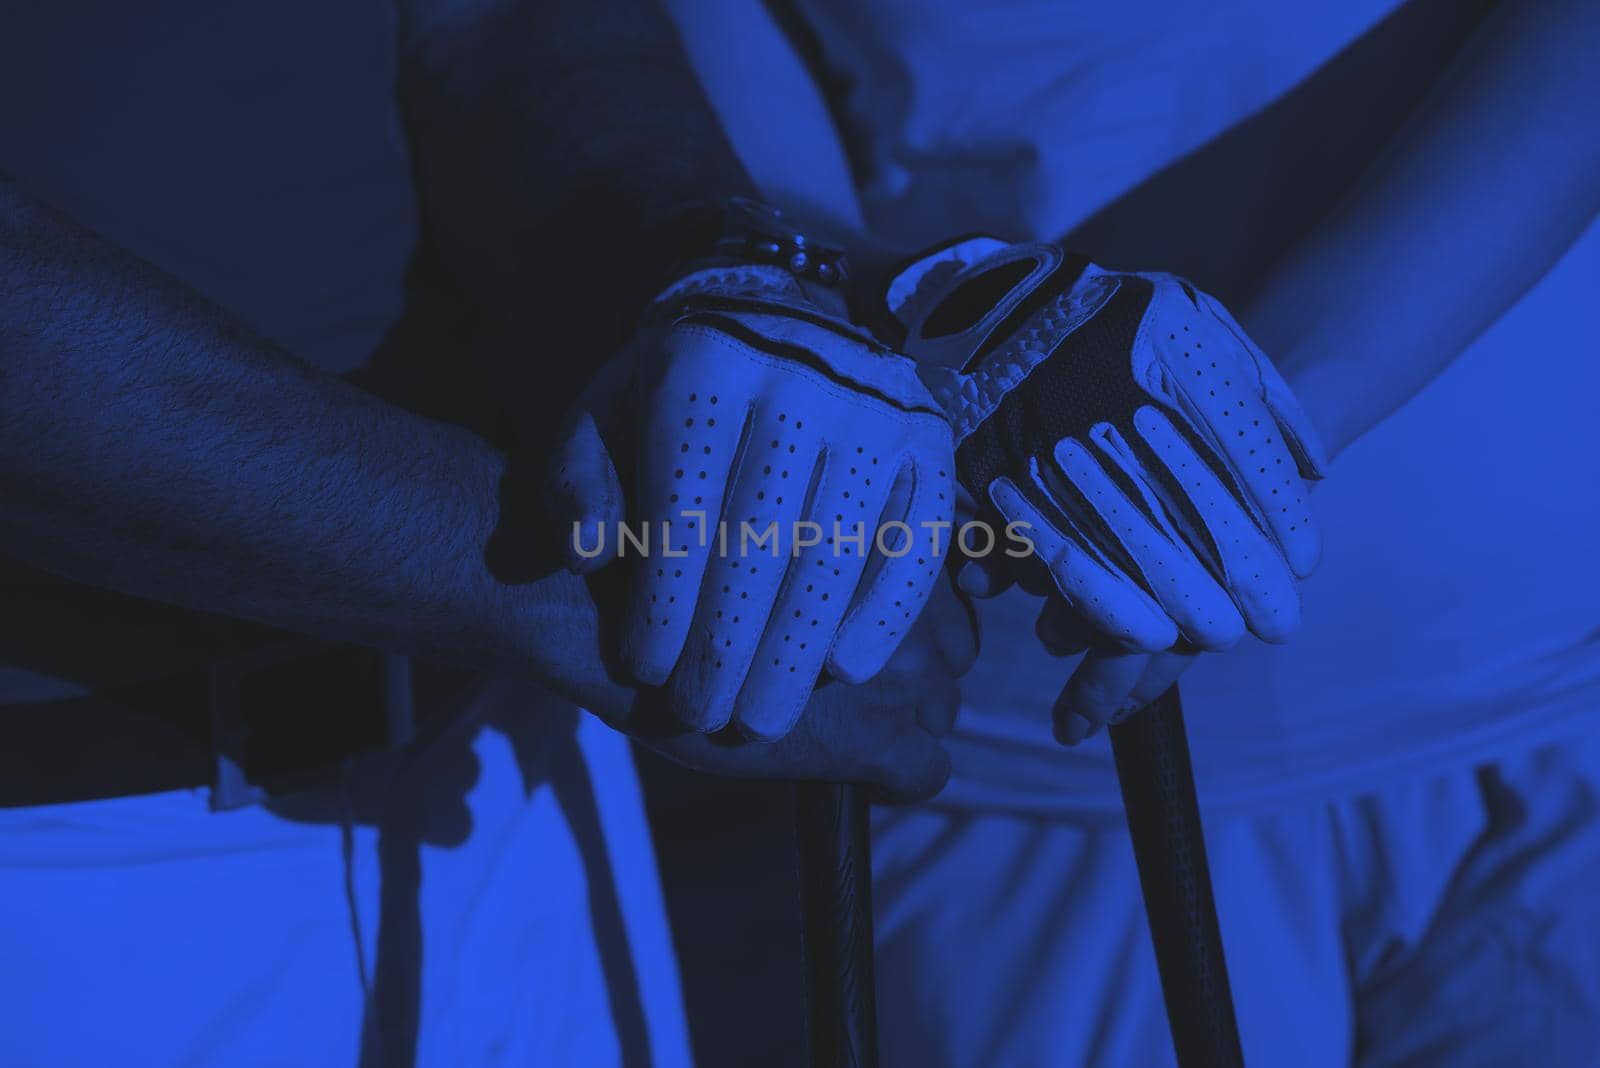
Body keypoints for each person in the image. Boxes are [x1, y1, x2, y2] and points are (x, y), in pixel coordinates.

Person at [0, 1, 972, 1063]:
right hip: (65, 872)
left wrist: (716, 288)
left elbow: (508, 23)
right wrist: (594, 584)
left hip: (508, 777)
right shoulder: (571, 601)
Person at [661, 0, 1600, 1062]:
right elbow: (724, 127)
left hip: (1548, 700)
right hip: (1045, 762)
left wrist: (1240, 425)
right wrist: (905, 310)